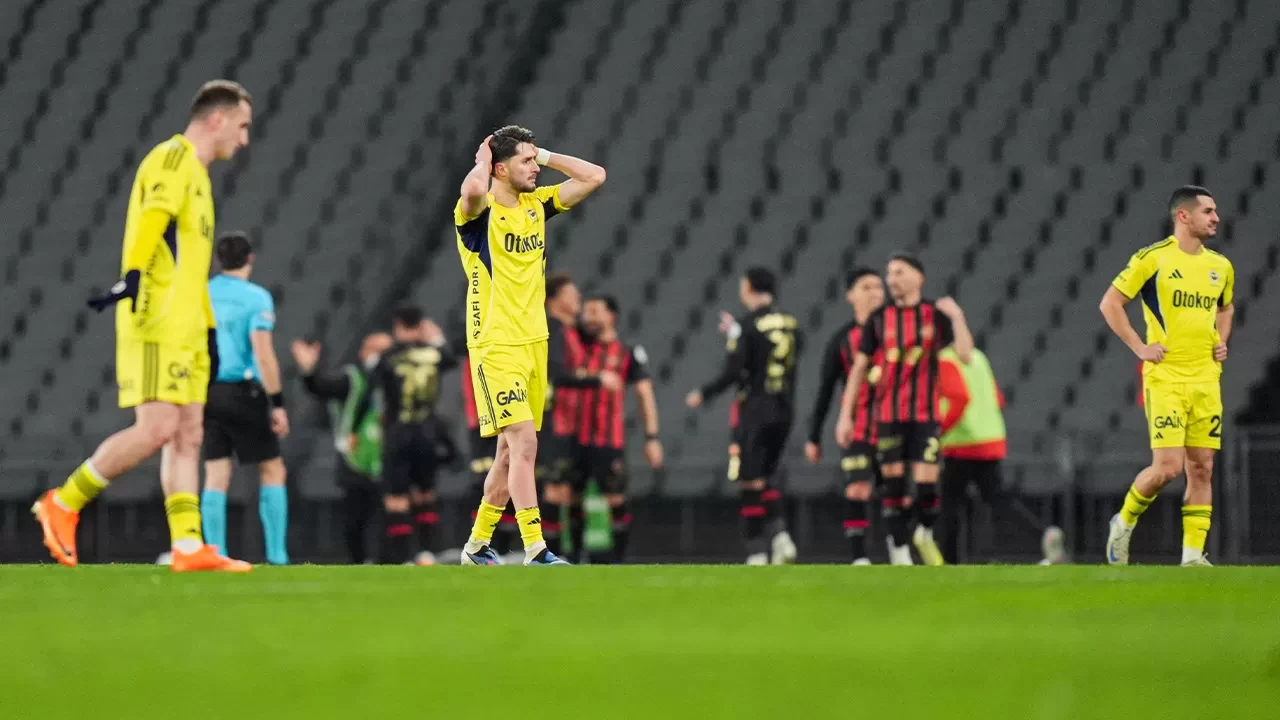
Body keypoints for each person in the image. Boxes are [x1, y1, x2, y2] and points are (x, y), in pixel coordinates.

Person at [33, 80, 253, 572]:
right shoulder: (171, 160)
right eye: (241, 126)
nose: (244, 139)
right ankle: (63, 502)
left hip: (189, 326)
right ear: (216, 119)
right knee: (157, 429)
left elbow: (191, 262)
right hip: (157, 318)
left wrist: (208, 328)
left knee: (189, 434)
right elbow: (152, 221)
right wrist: (131, 277)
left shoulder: (200, 177)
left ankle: (188, 545)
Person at [455, 125, 607, 566]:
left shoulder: (536, 205)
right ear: (500, 169)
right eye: (524, 161)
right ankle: (535, 548)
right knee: (524, 444)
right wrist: (482, 162)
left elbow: (594, 176)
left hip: (534, 342)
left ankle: (476, 546)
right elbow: (471, 190)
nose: (534, 167)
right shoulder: (479, 215)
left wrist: (542, 155)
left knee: (508, 454)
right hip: (496, 344)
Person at [1103, 186, 1234, 567]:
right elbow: (1110, 303)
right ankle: (1124, 521)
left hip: (1206, 380)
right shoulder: (1153, 259)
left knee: (1202, 467)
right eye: (1208, 211)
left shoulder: (1221, 267)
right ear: (1183, 216)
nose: (1216, 218)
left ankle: (1192, 557)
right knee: (1167, 469)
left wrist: (1221, 340)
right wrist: (1139, 347)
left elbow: (1226, 308)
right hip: (1167, 379)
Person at [836, 253, 974, 566]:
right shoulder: (879, 318)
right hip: (888, 416)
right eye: (889, 273)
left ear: (918, 277)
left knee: (927, 487)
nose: (892, 279)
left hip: (925, 416)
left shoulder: (934, 315)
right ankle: (900, 553)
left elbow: (966, 355)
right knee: (893, 487)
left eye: (899, 272)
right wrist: (846, 416)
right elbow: (858, 369)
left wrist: (957, 317)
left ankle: (923, 530)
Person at [688, 268, 801, 565]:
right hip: (784, 409)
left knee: (749, 480)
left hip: (754, 409)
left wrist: (704, 393)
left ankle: (758, 551)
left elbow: (734, 370)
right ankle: (780, 539)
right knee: (767, 474)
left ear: (749, 288)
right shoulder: (790, 322)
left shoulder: (745, 325)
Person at [199, 232, 290, 564]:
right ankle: (277, 556)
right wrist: (277, 403)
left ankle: (216, 554)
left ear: (218, 260)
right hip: (244, 391)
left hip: (207, 392)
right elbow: (263, 353)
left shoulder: (201, 294)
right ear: (250, 258)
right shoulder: (256, 298)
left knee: (216, 474)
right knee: (272, 469)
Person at [352, 306, 458, 565]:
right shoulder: (434, 354)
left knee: (396, 498)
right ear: (421, 325)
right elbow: (451, 358)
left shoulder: (388, 357)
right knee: (425, 494)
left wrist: (354, 428)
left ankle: (402, 557)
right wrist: (436, 337)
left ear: (397, 325)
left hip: (397, 434)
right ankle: (427, 552)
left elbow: (367, 394)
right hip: (428, 433)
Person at [573, 295, 663, 563]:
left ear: (611, 316)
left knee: (615, 500)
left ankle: (618, 562)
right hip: (574, 439)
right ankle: (572, 560)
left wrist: (651, 437)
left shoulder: (627, 352)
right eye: (585, 311)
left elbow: (645, 394)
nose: (587, 317)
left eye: (594, 311)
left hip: (609, 441)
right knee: (570, 498)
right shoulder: (576, 348)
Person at [804, 268, 885, 565]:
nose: (875, 292)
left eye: (878, 286)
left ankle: (899, 550)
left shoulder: (897, 331)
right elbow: (825, 390)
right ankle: (859, 558)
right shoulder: (842, 340)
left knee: (897, 493)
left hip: (896, 425)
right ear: (850, 295)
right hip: (859, 427)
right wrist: (814, 436)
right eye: (866, 287)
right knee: (857, 487)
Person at [292, 332, 393, 564]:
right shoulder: (352, 379)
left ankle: (389, 562)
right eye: (378, 351)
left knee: (389, 515)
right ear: (365, 352)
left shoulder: (395, 379)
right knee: (355, 515)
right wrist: (309, 371)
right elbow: (321, 387)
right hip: (354, 457)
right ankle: (358, 561)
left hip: (388, 456)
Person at [542, 272, 621, 557]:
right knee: (555, 490)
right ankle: (544, 556)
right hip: (553, 421)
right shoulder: (552, 329)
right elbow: (556, 374)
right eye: (570, 293)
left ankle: (567, 556)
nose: (577, 297)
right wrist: (597, 379)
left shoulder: (572, 331)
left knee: (569, 492)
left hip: (571, 425)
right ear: (554, 300)